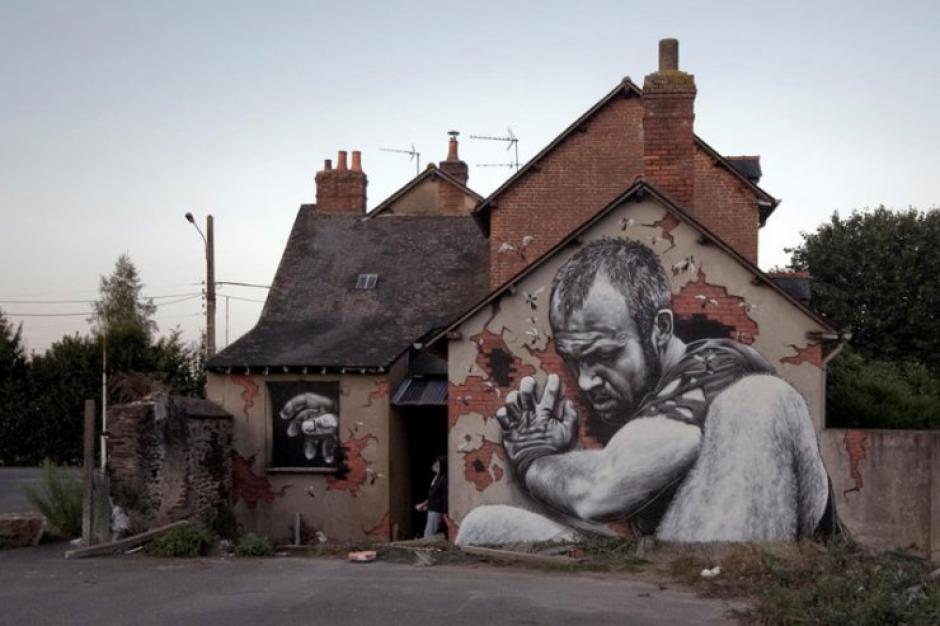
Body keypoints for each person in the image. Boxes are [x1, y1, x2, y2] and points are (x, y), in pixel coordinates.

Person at [456, 238, 833, 545]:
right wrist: (561, 459)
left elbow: (603, 490)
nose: (585, 381)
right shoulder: (646, 409)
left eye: (605, 355)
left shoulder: (719, 364)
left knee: (762, 397)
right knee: (482, 527)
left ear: (661, 329)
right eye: (573, 360)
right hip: (671, 570)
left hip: (747, 579)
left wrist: (535, 460)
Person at [416, 456, 448, 538]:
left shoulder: (443, 479)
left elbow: (444, 497)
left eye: (437, 463)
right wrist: (423, 504)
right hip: (432, 509)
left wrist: (444, 512)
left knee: (429, 535)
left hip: (436, 510)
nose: (435, 465)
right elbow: (432, 496)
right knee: (429, 532)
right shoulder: (436, 478)